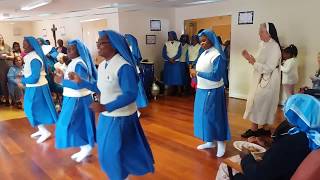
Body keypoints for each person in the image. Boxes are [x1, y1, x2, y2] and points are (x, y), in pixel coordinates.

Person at [69, 30, 154, 179]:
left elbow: (130, 94)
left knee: (113, 152)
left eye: (102, 43)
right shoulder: (102, 65)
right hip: (107, 117)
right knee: (108, 151)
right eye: (98, 43)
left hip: (121, 118)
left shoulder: (124, 66)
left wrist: (104, 106)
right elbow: (99, 87)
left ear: (114, 46)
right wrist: (81, 82)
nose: (99, 46)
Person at [231, 94, 319, 180]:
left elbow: (259, 174)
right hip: (285, 171)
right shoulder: (313, 138)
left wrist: (246, 157)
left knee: (227, 167)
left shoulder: (292, 142)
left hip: (272, 175)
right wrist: (269, 144)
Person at [189, 29, 230, 157]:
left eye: (204, 40)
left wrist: (198, 73)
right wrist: (194, 72)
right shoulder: (204, 53)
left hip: (214, 90)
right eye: (200, 41)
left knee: (215, 117)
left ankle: (221, 143)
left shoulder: (218, 55)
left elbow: (216, 76)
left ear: (211, 40)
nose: (202, 43)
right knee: (203, 116)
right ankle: (209, 141)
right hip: (202, 89)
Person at [54, 39, 97, 163]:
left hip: (78, 99)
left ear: (79, 50)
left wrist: (62, 81)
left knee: (67, 124)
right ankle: (85, 147)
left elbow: (79, 84)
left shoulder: (79, 64)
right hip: (72, 98)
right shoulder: (73, 62)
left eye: (71, 48)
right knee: (78, 124)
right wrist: (62, 75)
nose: (68, 50)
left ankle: (86, 147)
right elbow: (71, 81)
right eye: (68, 48)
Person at [241, 22, 282, 138]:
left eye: (261, 31)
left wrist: (254, 62)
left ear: (269, 33)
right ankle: (261, 129)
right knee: (257, 102)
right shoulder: (262, 44)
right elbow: (259, 61)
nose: (259, 34)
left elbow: (269, 67)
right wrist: (250, 59)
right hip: (260, 77)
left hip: (269, 79)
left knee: (262, 103)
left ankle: (260, 129)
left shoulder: (275, 47)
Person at [16, 36, 57, 144]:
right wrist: (23, 75)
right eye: (23, 43)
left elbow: (34, 77)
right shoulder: (30, 56)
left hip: (38, 87)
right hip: (33, 87)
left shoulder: (35, 58)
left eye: (25, 43)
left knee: (33, 109)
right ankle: (41, 130)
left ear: (32, 45)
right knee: (31, 109)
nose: (23, 45)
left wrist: (22, 80)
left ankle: (44, 132)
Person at [125, 34, 148, 116]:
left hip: (134, 72)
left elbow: (136, 60)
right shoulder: (124, 50)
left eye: (127, 39)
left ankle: (136, 109)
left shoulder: (133, 50)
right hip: (127, 72)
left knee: (136, 91)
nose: (126, 41)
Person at [162, 31, 183, 95]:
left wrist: (173, 59)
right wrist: (169, 59)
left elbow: (179, 53)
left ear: (174, 36)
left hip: (176, 62)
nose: (170, 37)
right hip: (168, 62)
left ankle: (179, 91)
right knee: (168, 77)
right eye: (169, 36)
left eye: (171, 35)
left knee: (177, 77)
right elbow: (163, 54)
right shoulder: (166, 43)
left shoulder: (179, 43)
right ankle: (167, 91)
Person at [0, 34, 14, 106]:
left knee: (11, 83)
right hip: (1, 68)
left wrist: (7, 56)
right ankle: (7, 100)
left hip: (9, 66)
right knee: (3, 84)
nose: (0, 39)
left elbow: (13, 57)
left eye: (1, 38)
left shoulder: (7, 46)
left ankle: (14, 100)